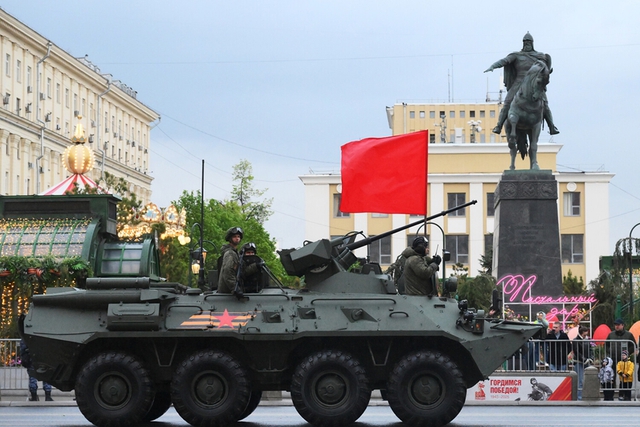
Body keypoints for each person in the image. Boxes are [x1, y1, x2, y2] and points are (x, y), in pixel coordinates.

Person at [484, 32, 559, 136]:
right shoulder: (516, 55)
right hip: (518, 83)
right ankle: (499, 125)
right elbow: (504, 61)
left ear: (532, 43)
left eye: (529, 42)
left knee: (545, 104)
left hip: (534, 84)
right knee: (507, 103)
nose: (527, 44)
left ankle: (551, 126)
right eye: (525, 42)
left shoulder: (540, 56)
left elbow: (545, 70)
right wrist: (493, 66)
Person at [217, 226, 244, 294]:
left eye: (238, 236)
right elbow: (228, 272)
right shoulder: (230, 253)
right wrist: (235, 288)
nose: (237, 238)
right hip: (227, 293)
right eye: (234, 236)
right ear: (230, 238)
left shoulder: (236, 253)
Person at [571, 326, 592, 400]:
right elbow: (576, 351)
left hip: (586, 361)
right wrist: (584, 359)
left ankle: (584, 396)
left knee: (586, 380)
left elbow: (590, 349)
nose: (586, 336)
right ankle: (579, 397)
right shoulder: (575, 340)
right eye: (584, 335)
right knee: (580, 381)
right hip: (579, 362)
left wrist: (590, 358)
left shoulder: (586, 340)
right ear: (581, 333)